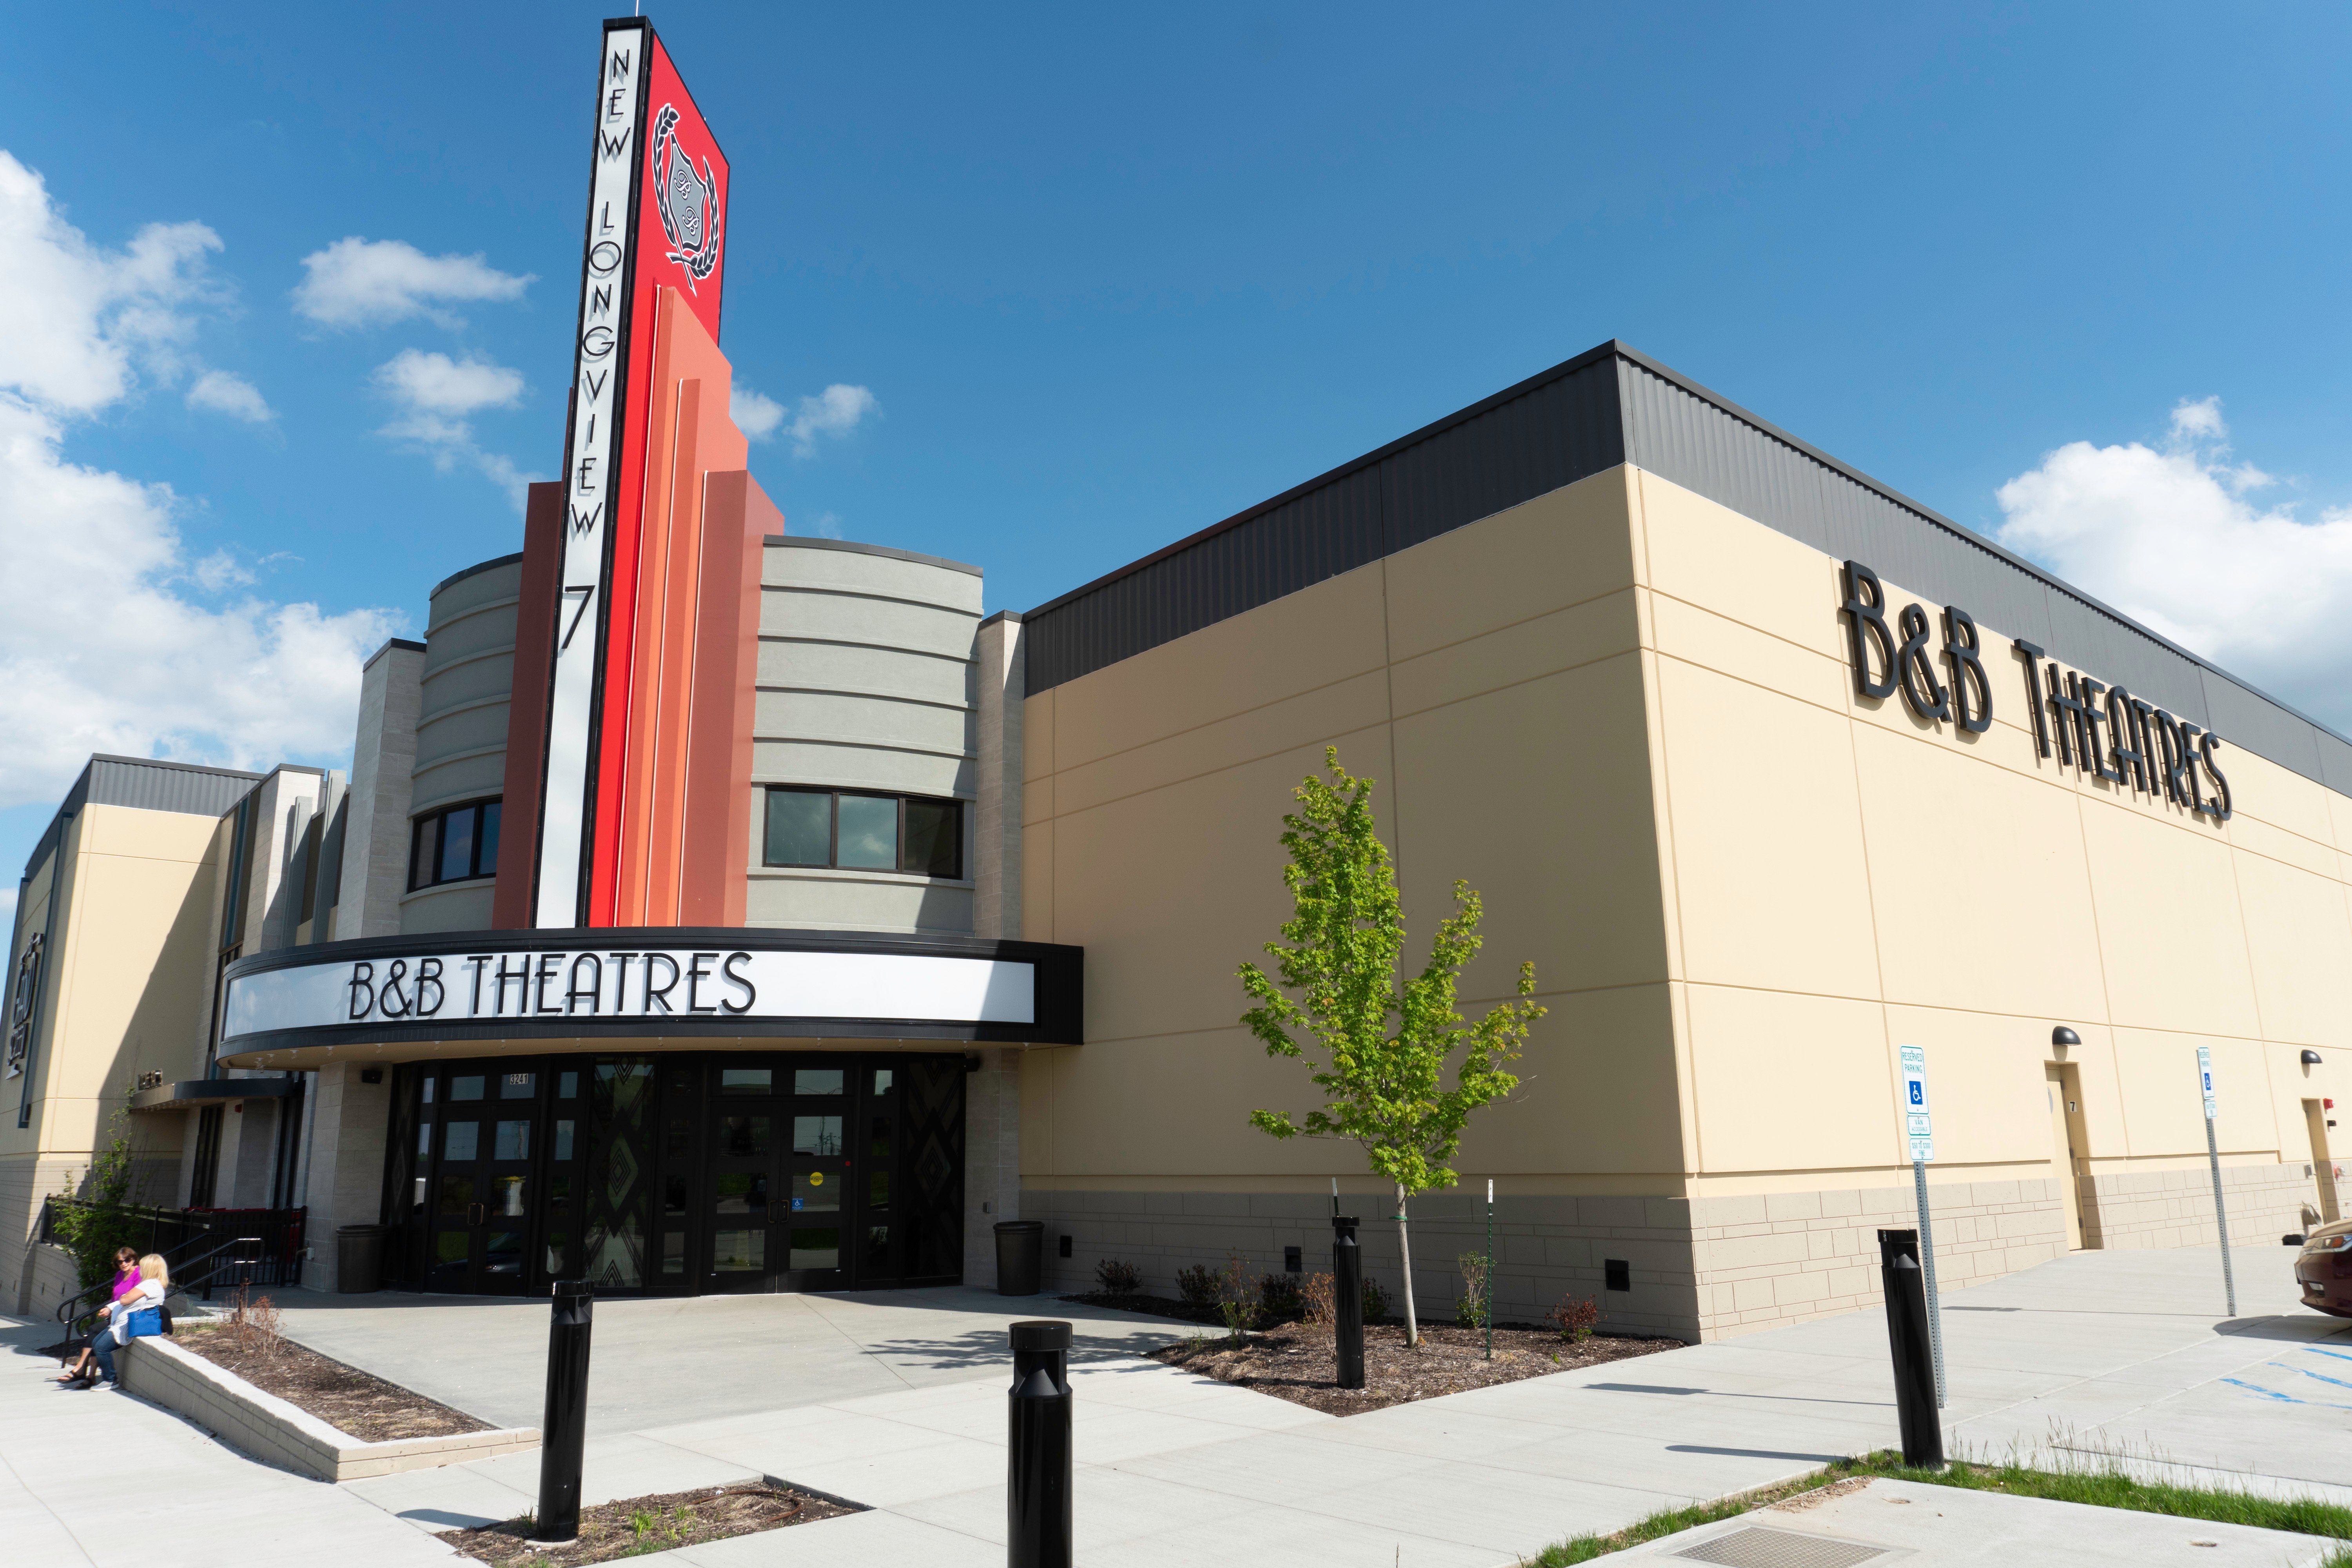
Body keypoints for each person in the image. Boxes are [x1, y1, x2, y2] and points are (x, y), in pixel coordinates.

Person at [54, 1248, 140, 1386]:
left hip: (128, 1318)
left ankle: (82, 1369)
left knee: (95, 1331)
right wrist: (109, 1309)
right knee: (94, 1331)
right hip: (115, 1316)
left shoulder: (139, 1274)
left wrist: (112, 1308)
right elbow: (115, 1298)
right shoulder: (120, 1275)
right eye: (120, 1262)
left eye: (127, 1260)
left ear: (134, 1259)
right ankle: (90, 1376)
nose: (124, 1264)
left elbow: (133, 1298)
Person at [82, 1255, 169, 1389]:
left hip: (127, 1327)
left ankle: (110, 1379)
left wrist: (124, 1296)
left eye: (143, 1266)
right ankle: (108, 1377)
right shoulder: (154, 1284)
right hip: (120, 1324)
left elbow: (125, 1300)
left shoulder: (149, 1284)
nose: (140, 1269)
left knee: (101, 1348)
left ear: (149, 1268)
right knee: (95, 1342)